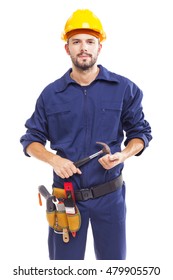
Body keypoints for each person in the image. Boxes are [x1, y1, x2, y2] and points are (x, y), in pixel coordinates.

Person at [20, 9, 152, 260]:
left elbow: (141, 133)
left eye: (90, 41)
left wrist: (122, 155)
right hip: (66, 198)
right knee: (65, 269)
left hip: (110, 197)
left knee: (113, 268)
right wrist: (53, 160)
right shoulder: (51, 94)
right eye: (76, 41)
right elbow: (30, 140)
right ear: (67, 48)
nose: (84, 48)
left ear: (99, 47)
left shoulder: (124, 88)